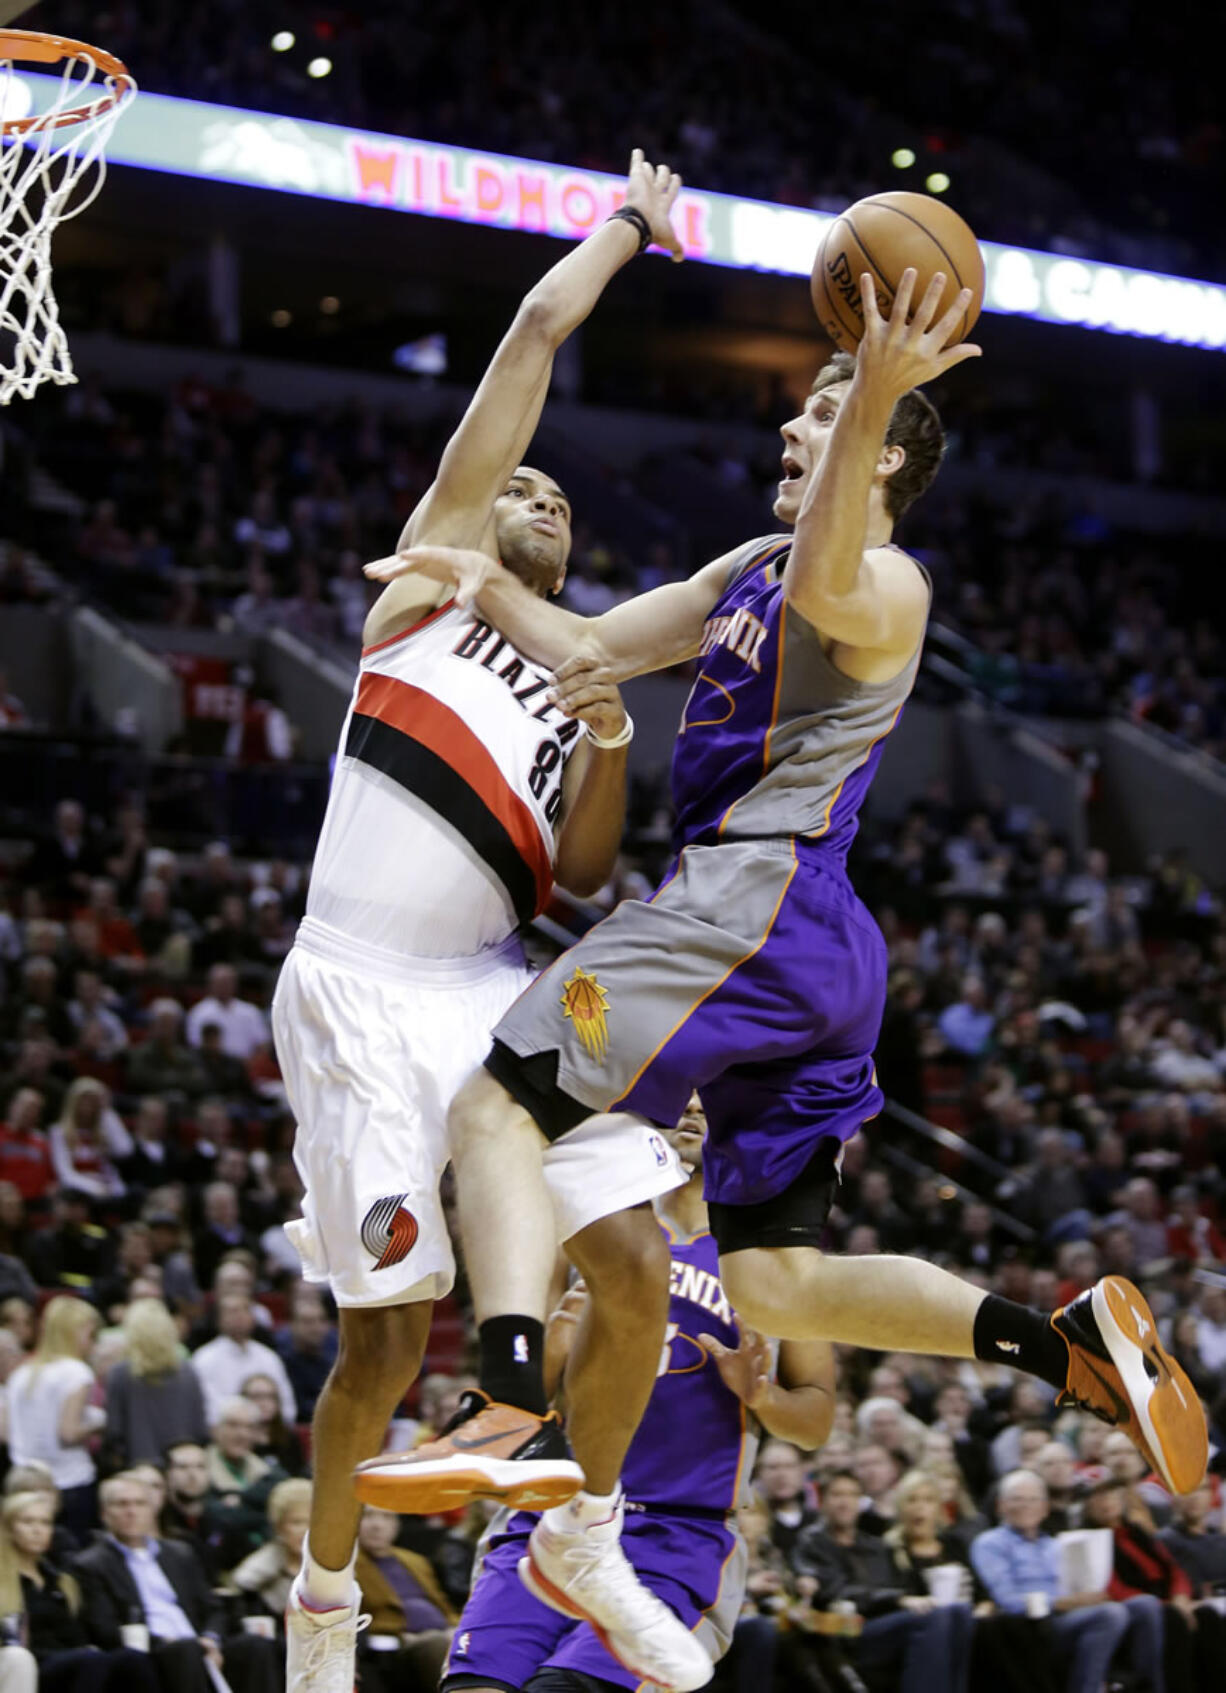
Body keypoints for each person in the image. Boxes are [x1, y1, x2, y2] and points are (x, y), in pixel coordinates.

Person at [360, 270, 1207, 1529]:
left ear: (874, 455)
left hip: (744, 902)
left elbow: (826, 582)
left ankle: (506, 1403)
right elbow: (596, 646)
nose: (787, 432)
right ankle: (1060, 1346)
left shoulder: (889, 583)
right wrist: (474, 581)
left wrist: (867, 386)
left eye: (813, 420)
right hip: (795, 942)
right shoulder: (751, 560)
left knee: (497, 1102)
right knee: (775, 1283)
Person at [273, 151, 705, 1693]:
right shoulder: (428, 589)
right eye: (512, 483)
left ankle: (583, 1532)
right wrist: (625, 229)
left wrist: (603, 732)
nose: (525, 490)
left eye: (550, 492)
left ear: (572, 556)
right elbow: (527, 337)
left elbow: (577, 877)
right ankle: (321, 1601)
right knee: (386, 1346)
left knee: (642, 1269)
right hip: (356, 983)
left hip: (494, 985)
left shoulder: (579, 663)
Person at [440, 1097, 834, 1693]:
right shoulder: (578, 1222)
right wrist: (555, 1348)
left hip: (678, 1535)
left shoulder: (777, 1257)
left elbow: (817, 1418)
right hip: (557, 1512)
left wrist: (763, 1398)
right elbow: (517, 1390)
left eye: (714, 1094)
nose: (697, 1105)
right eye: (683, 1092)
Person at [72, 1472, 278, 1693]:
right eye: (121, 1505)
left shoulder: (180, 1553)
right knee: (186, 1650)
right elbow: (105, 1628)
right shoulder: (91, 1564)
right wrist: (169, 1643)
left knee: (255, 1645)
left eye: (139, 1504)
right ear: (105, 1514)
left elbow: (213, 1608)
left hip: (200, 1645)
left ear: (153, 1511)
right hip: (153, 1653)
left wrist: (210, 1639)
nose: (131, 1512)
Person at [970, 1469, 1156, 1693]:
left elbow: (1083, 1584)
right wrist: (1063, 1603)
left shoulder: (1056, 1545)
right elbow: (1008, 1601)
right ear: (1001, 1506)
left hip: (1072, 1614)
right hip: (1034, 1625)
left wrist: (1090, 1596)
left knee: (1145, 1606)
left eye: (1033, 1499)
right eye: (1017, 1499)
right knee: (1110, 1615)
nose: (1025, 1505)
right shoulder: (990, 1543)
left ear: (1045, 1508)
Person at [0, 1489, 159, 1693]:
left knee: (132, 1658)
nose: (37, 1530)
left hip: (73, 1660)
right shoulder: (4, 1581)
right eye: (28, 1522)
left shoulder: (61, 1580)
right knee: (89, 1661)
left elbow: (77, 1634)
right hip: (28, 1664)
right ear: (9, 1529)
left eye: (44, 1522)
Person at [5, 1297, 102, 1535]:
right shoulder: (76, 1372)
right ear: (75, 1333)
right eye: (91, 1335)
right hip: (69, 1482)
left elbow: (8, 1434)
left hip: (23, 1484)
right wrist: (99, 1423)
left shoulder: (21, 1374)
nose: (94, 1344)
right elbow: (68, 1434)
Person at [354, 1505, 456, 1693]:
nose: (378, 1525)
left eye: (386, 1517)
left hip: (443, 1635)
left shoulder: (415, 1560)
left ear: (396, 1525)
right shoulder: (348, 1564)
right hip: (398, 1646)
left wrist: (455, 1629)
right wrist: (402, 1634)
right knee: (437, 1645)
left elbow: (442, 1604)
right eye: (368, 1516)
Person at [105, 1298, 208, 1466]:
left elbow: (114, 1432)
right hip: (183, 1467)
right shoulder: (189, 1372)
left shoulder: (120, 1374)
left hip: (140, 1470)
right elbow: (200, 1429)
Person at [188, 1294, 295, 1427]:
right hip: (226, 1433)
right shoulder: (204, 1359)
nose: (240, 1316)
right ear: (219, 1319)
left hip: (269, 1434)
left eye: (245, 1310)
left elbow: (287, 1407)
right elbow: (207, 1409)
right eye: (232, 1311)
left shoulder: (269, 1357)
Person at [228, 1477, 312, 1623]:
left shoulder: (334, 1568)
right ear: (279, 1527)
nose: (304, 1531)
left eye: (311, 1523)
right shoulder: (257, 1572)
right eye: (296, 1522)